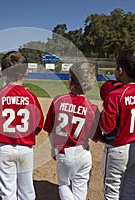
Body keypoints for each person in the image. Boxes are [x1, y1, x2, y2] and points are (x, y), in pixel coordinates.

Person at [0, 51, 44, 199]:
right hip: (25, 148)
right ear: (26, 72)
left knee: (7, 192)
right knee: (27, 191)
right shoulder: (31, 97)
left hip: (4, 147)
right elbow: (38, 125)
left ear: (3, 73)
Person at [99, 50, 135, 200]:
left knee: (111, 193)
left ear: (120, 71)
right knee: (129, 191)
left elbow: (106, 127)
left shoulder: (116, 94)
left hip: (118, 149)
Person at [43, 62, 101, 200]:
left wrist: (53, 148)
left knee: (64, 184)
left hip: (63, 152)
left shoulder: (58, 100)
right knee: (80, 186)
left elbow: (49, 129)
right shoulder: (92, 108)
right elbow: (96, 137)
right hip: (83, 152)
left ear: (70, 81)